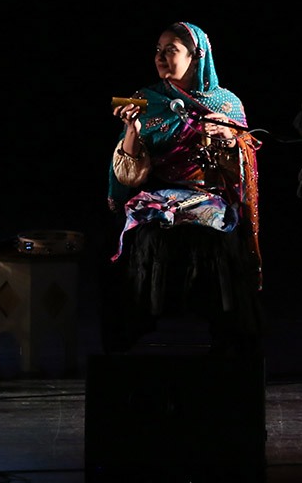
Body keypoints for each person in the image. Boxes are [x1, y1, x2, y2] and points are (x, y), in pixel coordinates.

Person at [102, 21, 263, 357]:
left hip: (210, 198)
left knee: (219, 237)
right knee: (150, 237)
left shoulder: (225, 104)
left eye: (170, 50)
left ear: (196, 57)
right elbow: (129, 174)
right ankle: (129, 341)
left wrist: (230, 138)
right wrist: (132, 129)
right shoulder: (146, 100)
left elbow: (244, 163)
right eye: (157, 51)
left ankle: (229, 343)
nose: (160, 57)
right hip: (160, 196)